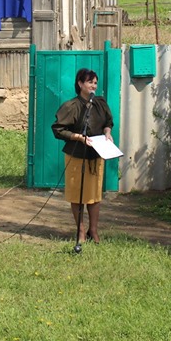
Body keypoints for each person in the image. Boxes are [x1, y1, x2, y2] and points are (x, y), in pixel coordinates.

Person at [51, 68, 114, 244]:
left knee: (94, 195)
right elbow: (58, 129)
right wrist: (78, 137)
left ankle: (93, 231)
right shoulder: (71, 106)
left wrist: (107, 132)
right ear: (80, 84)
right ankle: (80, 231)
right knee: (77, 194)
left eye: (95, 82)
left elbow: (108, 123)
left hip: (96, 154)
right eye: (89, 82)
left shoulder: (100, 103)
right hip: (77, 155)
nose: (93, 85)